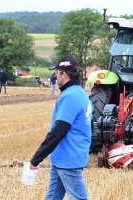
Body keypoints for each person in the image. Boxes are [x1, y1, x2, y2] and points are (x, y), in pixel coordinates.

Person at [29, 56, 93, 200]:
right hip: (62, 159)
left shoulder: (70, 97)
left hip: (68, 160)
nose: (55, 75)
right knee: (52, 197)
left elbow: (58, 132)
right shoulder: (82, 95)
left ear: (65, 74)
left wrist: (36, 159)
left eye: (57, 72)